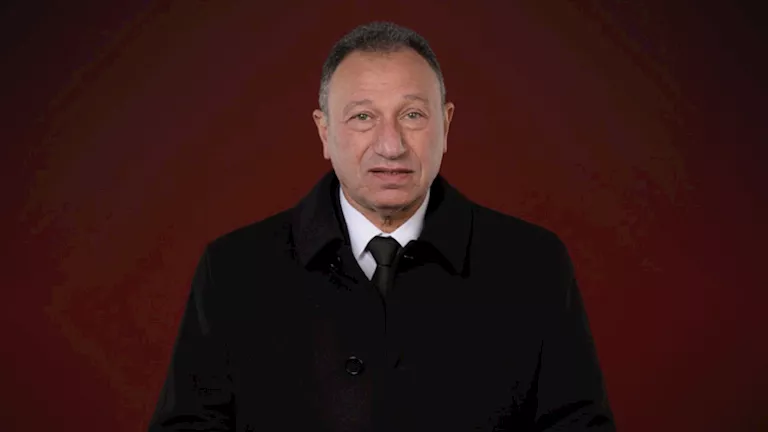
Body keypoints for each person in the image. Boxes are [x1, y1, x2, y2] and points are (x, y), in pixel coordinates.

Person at [148, 21, 615, 431]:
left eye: (412, 115)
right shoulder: (234, 270)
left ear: (446, 125)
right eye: (362, 117)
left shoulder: (533, 264)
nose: (390, 146)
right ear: (324, 131)